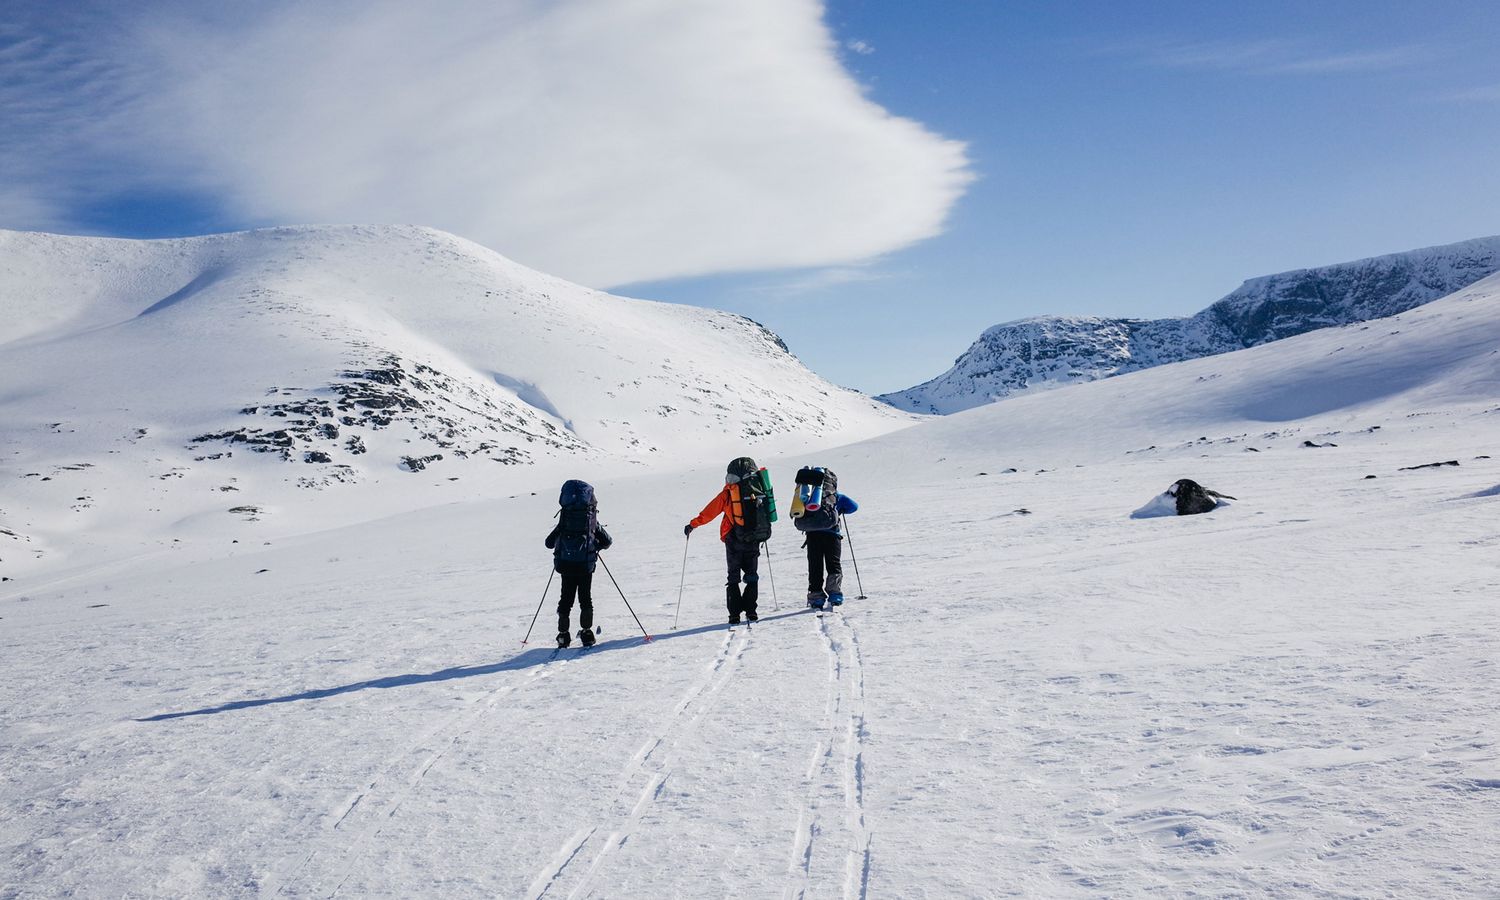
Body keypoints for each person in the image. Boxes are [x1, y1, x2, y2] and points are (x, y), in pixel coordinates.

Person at [685, 457, 772, 625]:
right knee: (752, 574)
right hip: (754, 538)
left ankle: (734, 615)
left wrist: (692, 524)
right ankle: (751, 611)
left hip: (733, 538)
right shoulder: (759, 488)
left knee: (733, 576)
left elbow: (709, 512)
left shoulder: (729, 493)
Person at [545, 479, 613, 648]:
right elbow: (607, 541)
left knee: (565, 599)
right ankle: (587, 634)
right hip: (585, 565)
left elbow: (548, 543)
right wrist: (593, 547)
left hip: (566, 564)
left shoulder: (564, 521)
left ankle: (563, 635)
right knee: (585, 598)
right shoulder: (590, 521)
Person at [792, 466, 857, 610]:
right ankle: (835, 595)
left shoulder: (807, 496)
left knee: (815, 566)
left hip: (812, 536)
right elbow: (854, 507)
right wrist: (840, 508)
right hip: (832, 535)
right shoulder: (835, 496)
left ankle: (816, 597)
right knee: (833, 564)